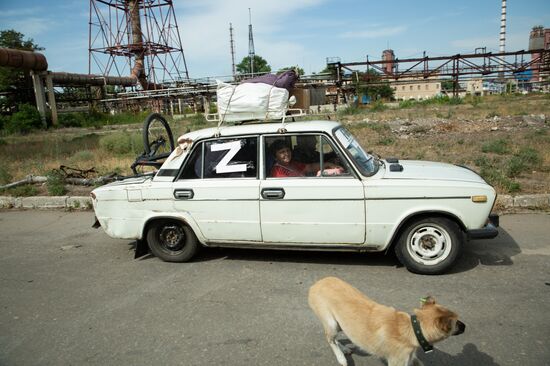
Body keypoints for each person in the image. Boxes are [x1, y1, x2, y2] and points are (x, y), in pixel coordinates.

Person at [269, 139, 342, 177]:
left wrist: (328, 164)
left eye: (288, 150)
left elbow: (309, 167)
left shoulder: (292, 163)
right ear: (275, 156)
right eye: (282, 152)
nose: (287, 154)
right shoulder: (277, 171)